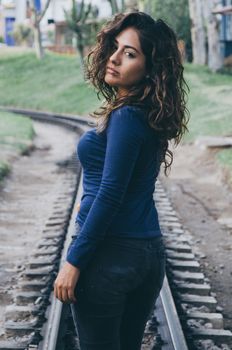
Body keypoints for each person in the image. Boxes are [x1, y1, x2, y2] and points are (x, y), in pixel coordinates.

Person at [54, 11, 189, 350]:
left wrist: (74, 260)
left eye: (130, 53)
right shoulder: (147, 113)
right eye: (114, 47)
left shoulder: (128, 116)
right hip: (147, 255)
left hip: (110, 256)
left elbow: (110, 193)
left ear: (150, 67)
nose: (114, 58)